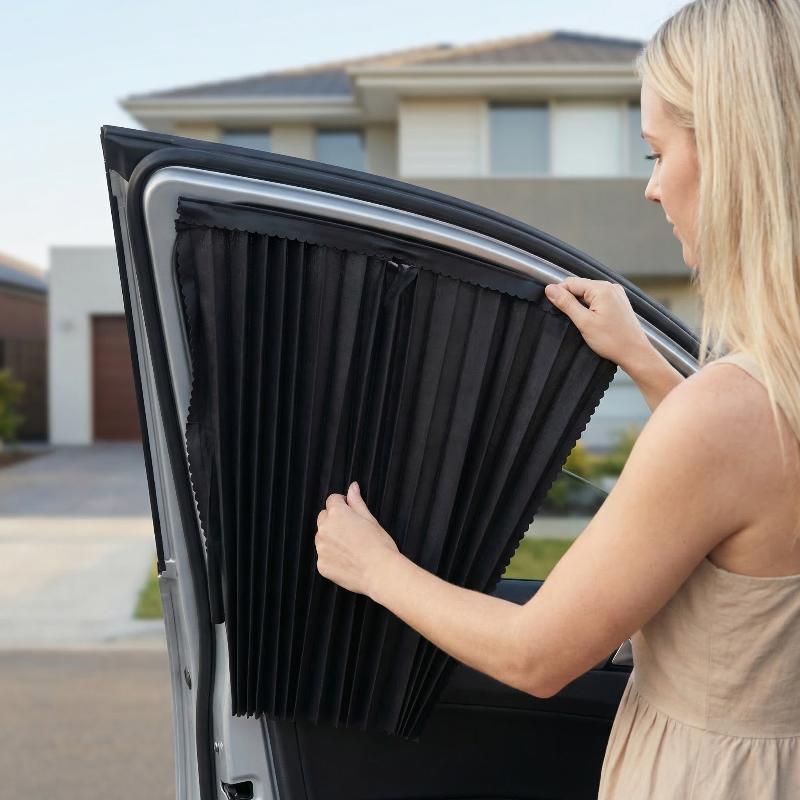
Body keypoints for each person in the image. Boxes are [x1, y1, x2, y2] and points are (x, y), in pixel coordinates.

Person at [313, 0, 800, 795]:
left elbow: (536, 656)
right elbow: (754, 474)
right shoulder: (764, 400)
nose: (652, 189)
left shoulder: (728, 414)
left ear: (733, 153)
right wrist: (643, 359)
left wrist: (373, 566)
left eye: (657, 153)